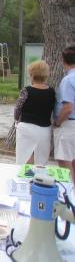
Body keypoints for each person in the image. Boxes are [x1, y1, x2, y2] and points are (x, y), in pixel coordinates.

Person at [14, 60, 55, 165]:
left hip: (26, 128)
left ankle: (23, 178)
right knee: (41, 160)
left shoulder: (26, 90)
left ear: (32, 75)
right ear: (45, 75)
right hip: (44, 129)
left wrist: (16, 120)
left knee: (23, 159)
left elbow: (17, 108)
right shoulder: (51, 92)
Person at [53, 45, 75, 183]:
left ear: (63, 60)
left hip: (68, 125)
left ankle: (69, 194)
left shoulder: (68, 80)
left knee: (65, 163)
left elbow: (68, 108)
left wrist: (58, 122)